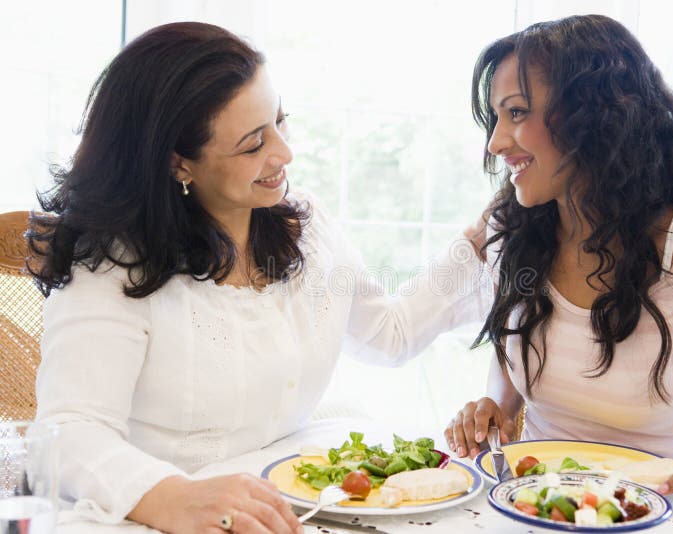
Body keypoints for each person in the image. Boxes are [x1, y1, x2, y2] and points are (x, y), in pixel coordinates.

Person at [29, 22, 490, 533]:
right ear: (178, 163)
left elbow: (389, 335)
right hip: (160, 514)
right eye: (253, 145)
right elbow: (67, 434)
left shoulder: (302, 225)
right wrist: (174, 497)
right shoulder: (115, 262)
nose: (284, 154)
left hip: (284, 507)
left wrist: (474, 246)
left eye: (279, 121)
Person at [443, 14, 673, 523]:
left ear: (595, 117)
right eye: (495, 119)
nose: (496, 143)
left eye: (516, 112)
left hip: (666, 516)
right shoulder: (513, 233)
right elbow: (519, 351)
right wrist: (496, 406)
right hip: (527, 510)